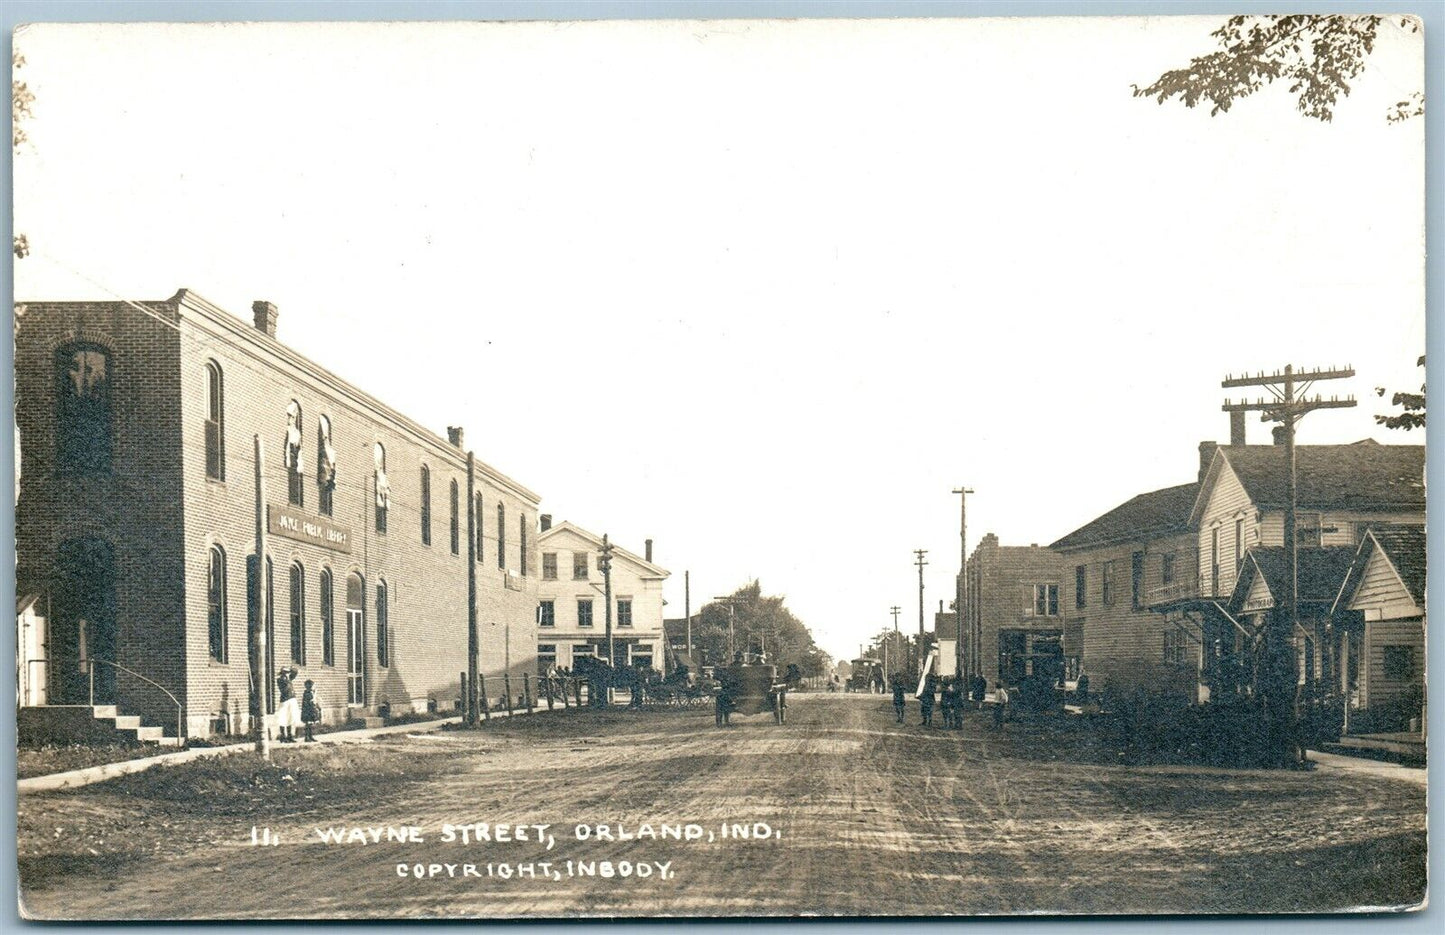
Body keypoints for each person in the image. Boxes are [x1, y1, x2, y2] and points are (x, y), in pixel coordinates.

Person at [276, 666, 301, 743]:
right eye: (285, 673)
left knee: (290, 717)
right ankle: (283, 736)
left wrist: (292, 669)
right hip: (284, 701)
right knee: (283, 718)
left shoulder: (289, 678)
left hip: (291, 700)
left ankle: (290, 736)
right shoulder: (280, 680)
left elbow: (296, 672)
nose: (287, 674)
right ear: (282, 674)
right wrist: (287, 679)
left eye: (287, 673)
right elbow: (284, 689)